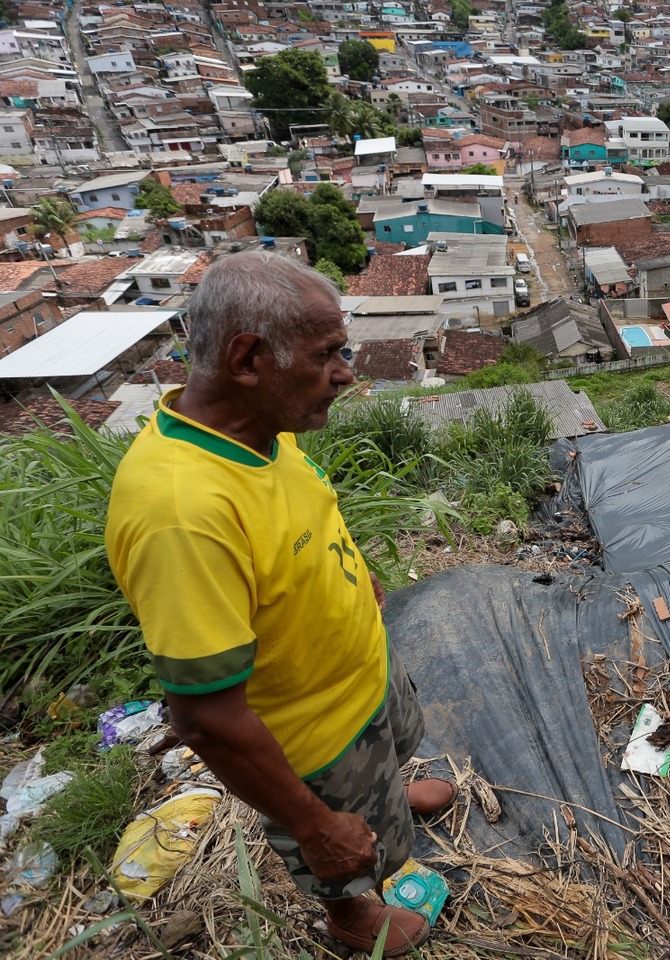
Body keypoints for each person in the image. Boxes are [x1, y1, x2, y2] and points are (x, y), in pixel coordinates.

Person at [105, 252, 455, 956]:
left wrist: (356, 575)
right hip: (313, 738)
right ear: (247, 359)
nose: (347, 372)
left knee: (389, 759)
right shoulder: (182, 513)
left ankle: (384, 805)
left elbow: (301, 515)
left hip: (361, 676)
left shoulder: (258, 429)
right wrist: (316, 825)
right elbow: (207, 718)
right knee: (341, 848)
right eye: (328, 355)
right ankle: (351, 915)